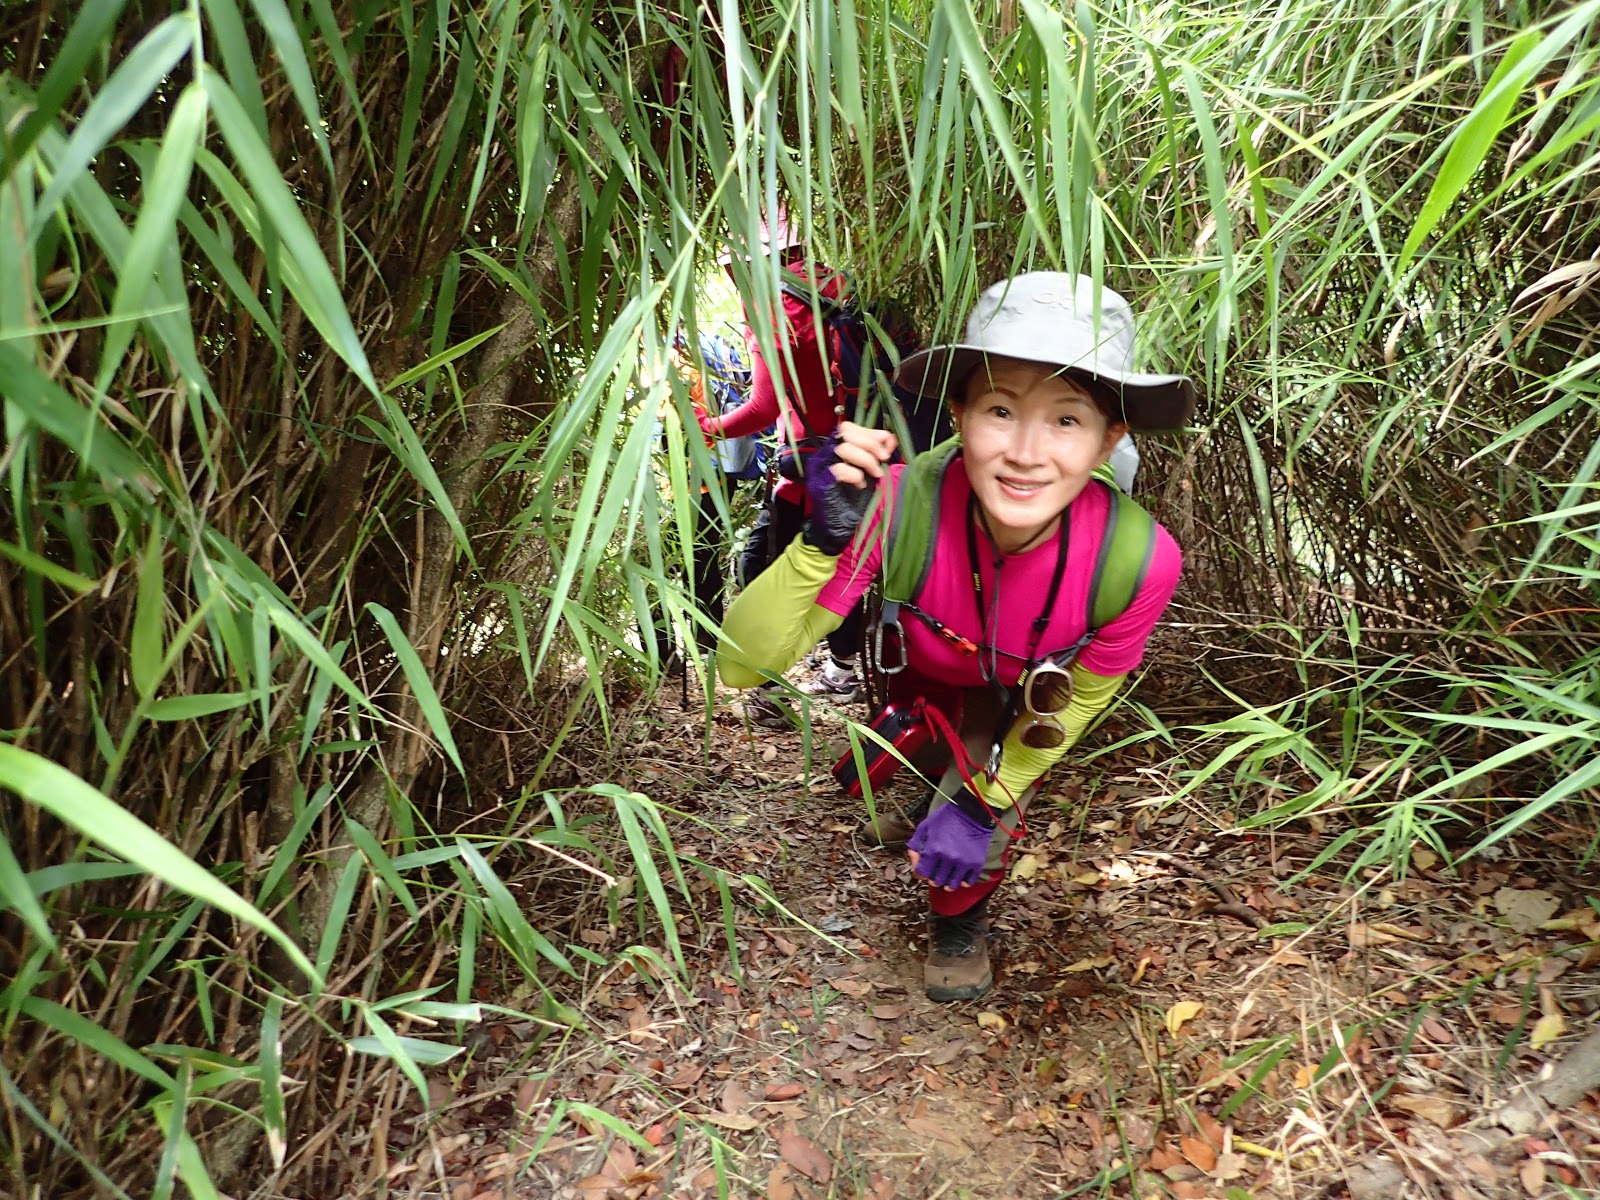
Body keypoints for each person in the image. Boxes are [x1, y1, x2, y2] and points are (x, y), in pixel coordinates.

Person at [716, 272, 1195, 1001]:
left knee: (975, 818)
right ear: (960, 413)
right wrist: (820, 542)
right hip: (922, 670)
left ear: (1109, 441)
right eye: (1000, 410)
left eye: (1067, 421)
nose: (1026, 453)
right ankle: (924, 788)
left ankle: (957, 920)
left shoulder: (1134, 560)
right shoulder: (897, 503)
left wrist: (981, 805)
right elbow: (743, 666)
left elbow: (1075, 703)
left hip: (1016, 693)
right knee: (922, 756)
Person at [700, 216, 867, 718]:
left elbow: (763, 409)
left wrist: (706, 426)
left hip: (810, 466)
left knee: (759, 565)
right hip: (865, 456)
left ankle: (767, 687)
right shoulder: (844, 289)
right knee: (845, 565)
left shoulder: (774, 309)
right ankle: (842, 672)